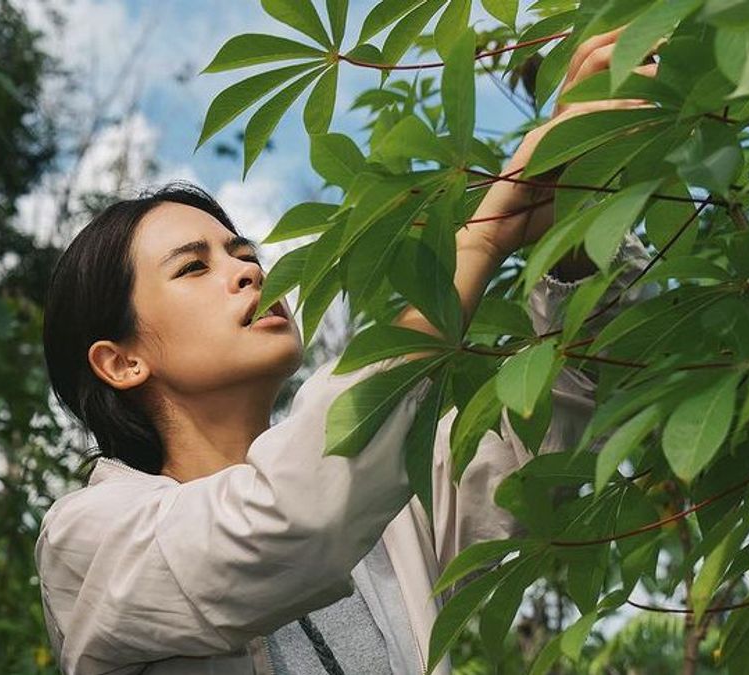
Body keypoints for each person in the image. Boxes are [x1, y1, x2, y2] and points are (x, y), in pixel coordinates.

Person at [35, 27, 658, 675]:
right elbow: (287, 519)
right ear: (120, 360)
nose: (250, 271)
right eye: (195, 267)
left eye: (245, 253)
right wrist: (481, 238)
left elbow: (553, 424)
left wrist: (582, 224)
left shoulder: (387, 493)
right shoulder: (91, 539)